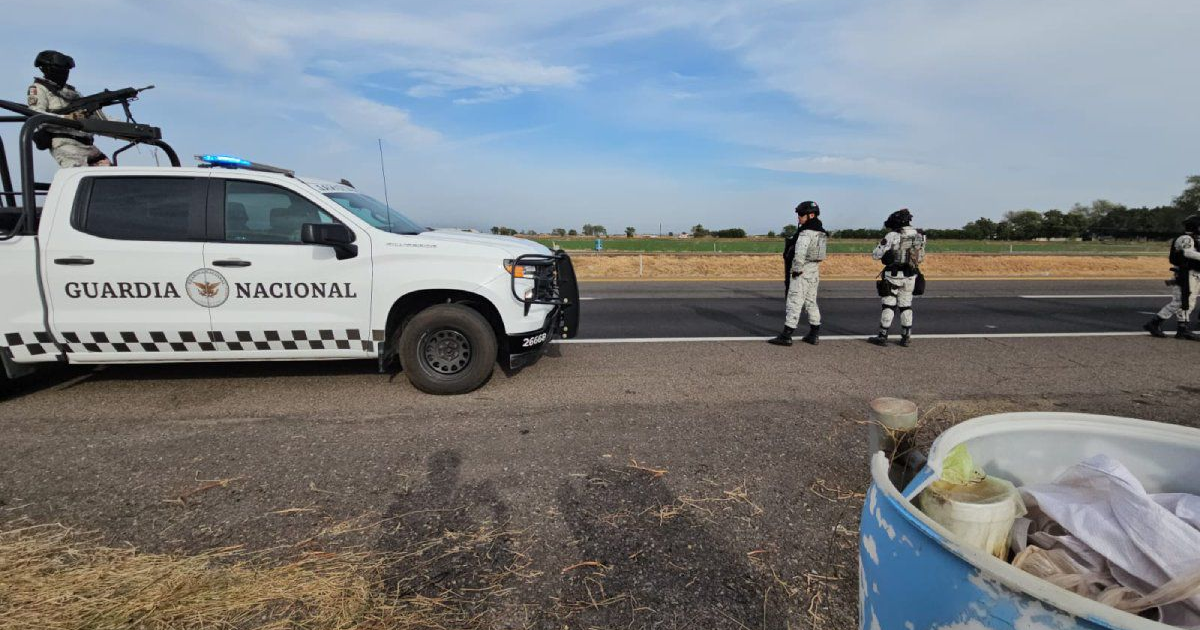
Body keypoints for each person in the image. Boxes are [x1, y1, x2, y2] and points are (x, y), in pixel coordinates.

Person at [26, 50, 111, 168]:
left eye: (67, 70)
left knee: (110, 177)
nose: (65, 73)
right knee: (82, 176)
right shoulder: (39, 89)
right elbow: (37, 115)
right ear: (47, 69)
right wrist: (67, 118)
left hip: (87, 144)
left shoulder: (72, 92)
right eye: (61, 69)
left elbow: (99, 117)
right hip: (65, 143)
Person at [769, 201, 827, 346]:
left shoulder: (806, 233)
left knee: (794, 301)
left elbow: (799, 254)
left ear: (811, 215)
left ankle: (787, 335)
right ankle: (814, 334)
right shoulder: (821, 233)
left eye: (801, 214)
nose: (799, 218)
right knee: (811, 301)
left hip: (802, 270)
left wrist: (796, 270)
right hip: (814, 270)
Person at [869, 209, 925, 347]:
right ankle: (906, 336)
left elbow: (876, 254)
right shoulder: (920, 235)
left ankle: (883, 335)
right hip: (911, 275)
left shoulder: (892, 235)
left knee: (889, 304)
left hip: (893, 275)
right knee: (906, 305)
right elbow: (921, 257)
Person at [1144, 215, 1200, 340]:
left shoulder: (1194, 239)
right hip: (1185, 274)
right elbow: (1188, 253)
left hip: (1193, 274)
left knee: (1188, 302)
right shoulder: (1186, 238)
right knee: (1180, 301)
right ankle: (1154, 323)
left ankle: (1182, 329)